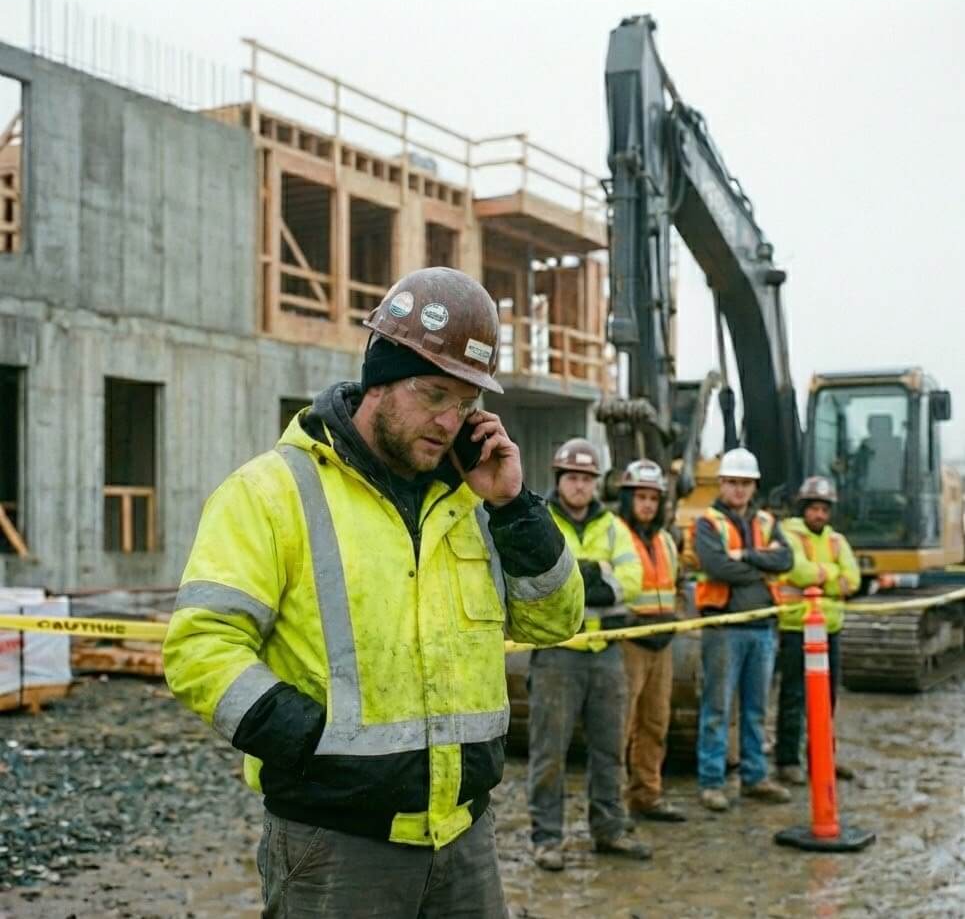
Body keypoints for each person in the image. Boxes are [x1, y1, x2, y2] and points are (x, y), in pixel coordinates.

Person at [162, 267, 584, 918]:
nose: (449, 421)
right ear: (379, 380)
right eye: (432, 393)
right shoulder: (272, 492)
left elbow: (555, 621)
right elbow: (201, 645)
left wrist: (512, 507)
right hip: (334, 847)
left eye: (466, 403)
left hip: (463, 842)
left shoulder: (472, 501)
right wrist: (307, 741)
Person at [527, 438, 650, 871]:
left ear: (596, 484)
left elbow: (632, 582)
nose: (579, 486)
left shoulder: (614, 527)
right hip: (556, 654)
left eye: (586, 478)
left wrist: (574, 578)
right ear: (559, 479)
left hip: (606, 654)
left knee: (610, 749)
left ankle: (609, 828)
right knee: (549, 752)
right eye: (572, 477)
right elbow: (539, 581)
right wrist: (598, 575)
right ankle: (547, 838)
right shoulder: (538, 519)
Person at [692, 447, 794, 812]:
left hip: (762, 627)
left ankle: (755, 776)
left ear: (754, 487)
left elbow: (787, 560)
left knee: (755, 710)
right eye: (733, 482)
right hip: (724, 628)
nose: (739, 490)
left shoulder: (766, 521)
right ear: (721, 484)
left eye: (745, 484)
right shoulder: (707, 523)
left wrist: (746, 557)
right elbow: (718, 567)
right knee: (717, 708)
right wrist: (762, 565)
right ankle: (712, 781)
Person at [775, 475, 860, 785]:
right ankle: (787, 760)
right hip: (796, 626)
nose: (819, 515)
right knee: (794, 696)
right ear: (803, 509)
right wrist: (832, 575)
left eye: (824, 509)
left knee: (827, 700)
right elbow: (796, 570)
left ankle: (822, 758)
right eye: (814, 509)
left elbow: (853, 579)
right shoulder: (788, 534)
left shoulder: (837, 540)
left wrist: (818, 577)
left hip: (829, 629)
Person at [617, 459, 687, 823]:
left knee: (656, 723)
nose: (647, 504)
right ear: (628, 499)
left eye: (653, 498)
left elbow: (675, 583)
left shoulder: (664, 540)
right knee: (621, 726)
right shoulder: (615, 533)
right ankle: (615, 803)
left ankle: (647, 793)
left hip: (661, 641)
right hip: (630, 640)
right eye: (640, 497)